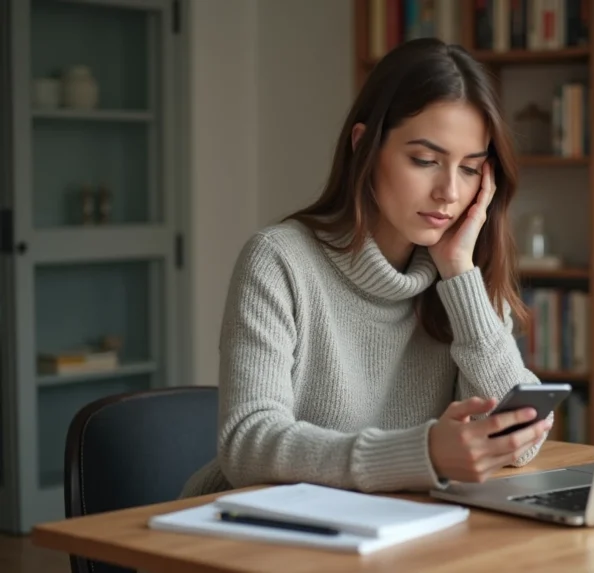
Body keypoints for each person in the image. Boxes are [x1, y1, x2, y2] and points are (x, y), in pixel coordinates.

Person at [180, 37, 553, 499]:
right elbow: (247, 446)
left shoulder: (460, 276)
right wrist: (422, 454)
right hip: (251, 532)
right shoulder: (279, 261)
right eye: (425, 161)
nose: (449, 192)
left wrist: (459, 274)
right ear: (365, 147)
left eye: (471, 169)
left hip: (394, 530)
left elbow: (519, 443)